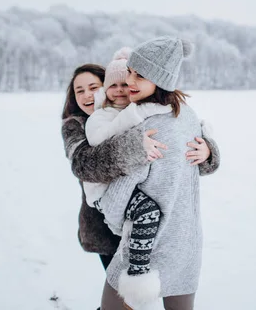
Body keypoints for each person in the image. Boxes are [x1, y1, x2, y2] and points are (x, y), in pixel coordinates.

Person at [60, 54, 220, 308]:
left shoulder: (134, 111)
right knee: (123, 297)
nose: (87, 95)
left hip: (145, 224)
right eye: (80, 90)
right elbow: (84, 164)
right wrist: (134, 147)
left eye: (93, 87)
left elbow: (174, 150)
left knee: (135, 293)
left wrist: (208, 151)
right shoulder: (75, 124)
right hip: (104, 228)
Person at [97, 36, 210, 309]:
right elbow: (199, 157)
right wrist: (210, 151)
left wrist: (111, 217)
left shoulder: (146, 126)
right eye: (131, 72)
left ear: (159, 79)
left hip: (146, 244)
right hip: (186, 242)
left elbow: (120, 192)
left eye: (141, 75)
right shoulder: (188, 115)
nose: (130, 82)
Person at [83, 47, 171, 288]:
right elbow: (100, 141)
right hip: (103, 194)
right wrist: (136, 112)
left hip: (131, 185)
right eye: (113, 85)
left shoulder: (138, 111)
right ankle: (137, 275)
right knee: (147, 212)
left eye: (125, 84)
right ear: (105, 90)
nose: (120, 90)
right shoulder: (100, 116)